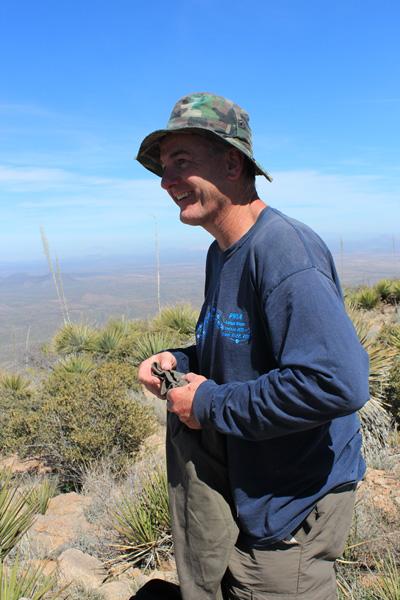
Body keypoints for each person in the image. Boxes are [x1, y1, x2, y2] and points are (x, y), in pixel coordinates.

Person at [136, 92, 369, 600]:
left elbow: (337, 382)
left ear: (232, 162)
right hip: (250, 486)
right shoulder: (221, 254)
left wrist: (207, 403)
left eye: (182, 161)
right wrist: (181, 360)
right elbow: (235, 349)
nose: (167, 180)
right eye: (163, 166)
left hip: (292, 505)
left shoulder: (284, 251)